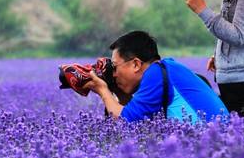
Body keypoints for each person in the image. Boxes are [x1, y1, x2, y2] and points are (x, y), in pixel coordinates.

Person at [82, 30, 228, 124]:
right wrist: (116, 91)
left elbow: (126, 121)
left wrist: (102, 90)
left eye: (114, 67)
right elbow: (140, 118)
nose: (113, 74)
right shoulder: (166, 68)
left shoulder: (156, 74)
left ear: (136, 64)